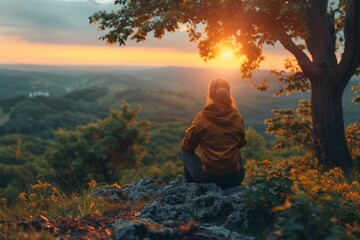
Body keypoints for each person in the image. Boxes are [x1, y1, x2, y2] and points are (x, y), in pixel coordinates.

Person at [179, 78, 247, 189]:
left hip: (207, 178)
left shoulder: (202, 118)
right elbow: (241, 143)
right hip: (235, 178)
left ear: (210, 95)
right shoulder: (237, 117)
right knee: (236, 149)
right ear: (228, 94)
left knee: (183, 151)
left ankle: (191, 188)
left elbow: (187, 146)